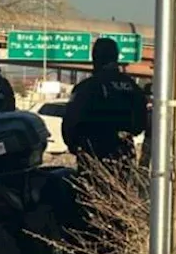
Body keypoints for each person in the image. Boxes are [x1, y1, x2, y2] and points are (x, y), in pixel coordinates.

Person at [62, 37, 148, 170]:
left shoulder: (88, 87)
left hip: (94, 152)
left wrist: (76, 146)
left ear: (95, 58)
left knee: (92, 189)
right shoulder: (132, 86)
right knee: (120, 189)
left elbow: (71, 121)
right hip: (124, 152)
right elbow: (141, 121)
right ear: (116, 57)